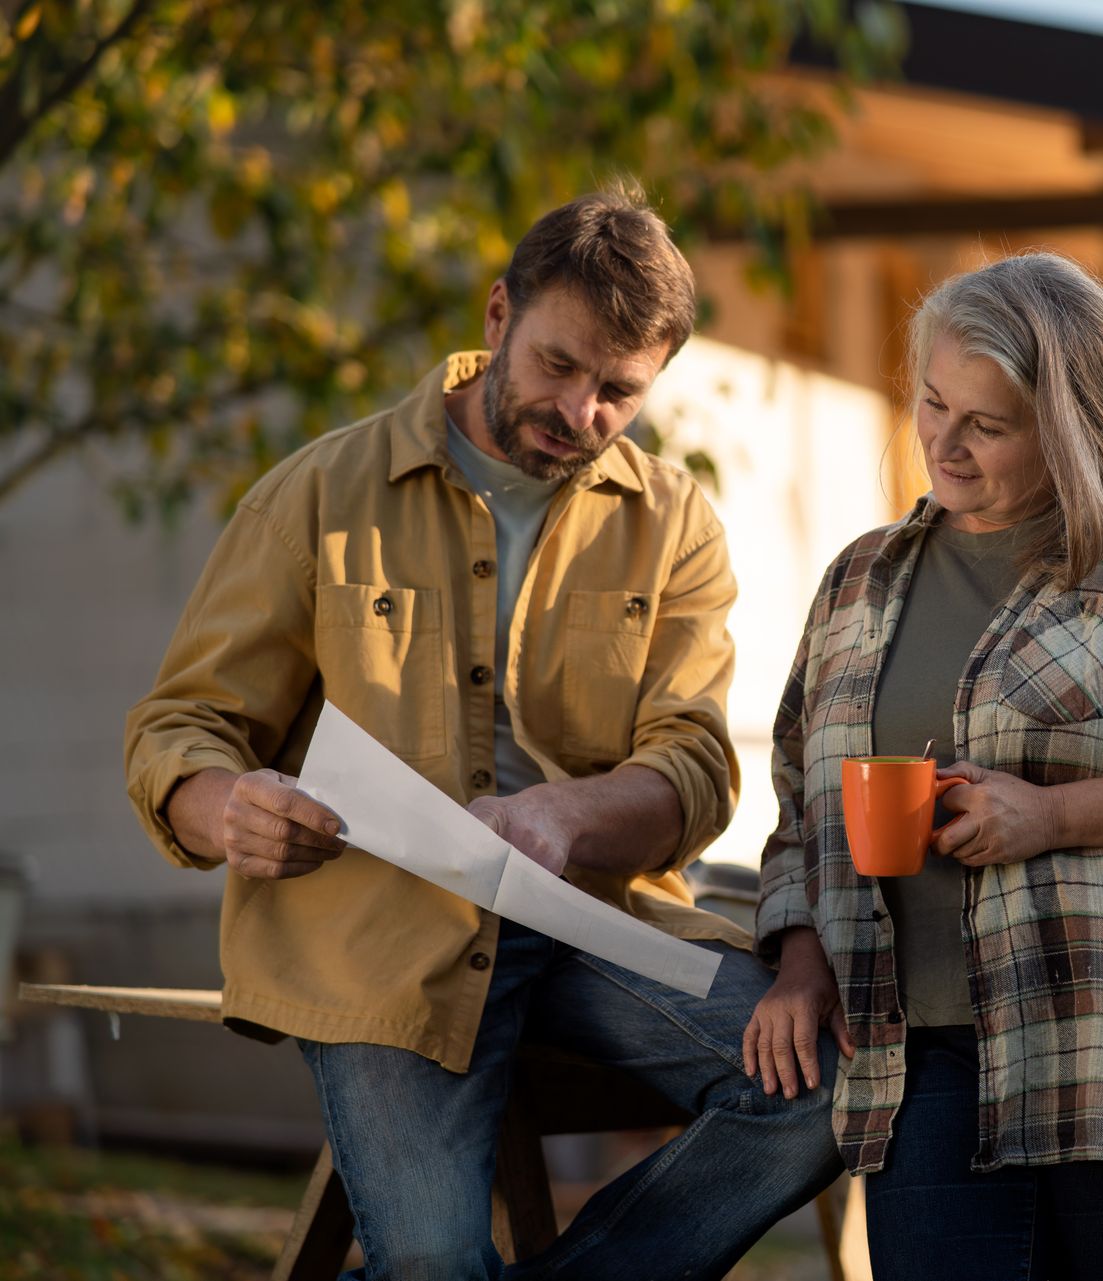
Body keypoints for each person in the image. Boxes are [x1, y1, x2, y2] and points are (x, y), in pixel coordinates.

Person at [124, 184, 841, 1281]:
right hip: (375, 941)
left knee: (826, 1090)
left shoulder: (678, 525)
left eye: (619, 393)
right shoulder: (318, 493)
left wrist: (565, 814)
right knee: (434, 1261)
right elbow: (183, 726)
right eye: (560, 366)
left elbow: (696, 769)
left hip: (594, 923)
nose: (582, 412)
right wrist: (230, 810)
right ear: (499, 315)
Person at [745, 251, 1103, 1280]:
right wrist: (797, 961)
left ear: (1068, 433)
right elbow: (800, 805)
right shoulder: (862, 582)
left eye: (989, 425)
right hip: (914, 1058)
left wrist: (1053, 817)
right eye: (932, 404)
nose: (945, 443)